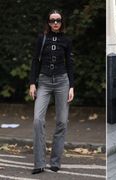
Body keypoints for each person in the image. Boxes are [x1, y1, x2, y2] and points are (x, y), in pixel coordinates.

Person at [29, 9, 74, 174]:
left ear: (62, 22)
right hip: (45, 82)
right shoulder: (42, 39)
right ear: (48, 22)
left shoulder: (67, 40)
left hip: (62, 81)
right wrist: (32, 83)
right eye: (52, 20)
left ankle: (55, 161)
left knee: (62, 121)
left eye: (58, 20)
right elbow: (35, 61)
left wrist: (72, 86)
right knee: (37, 120)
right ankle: (39, 163)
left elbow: (70, 63)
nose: (55, 23)